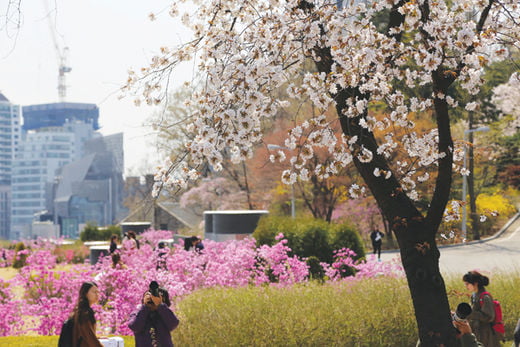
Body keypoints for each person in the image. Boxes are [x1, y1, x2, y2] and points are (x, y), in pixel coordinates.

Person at [462, 271, 501, 347]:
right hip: (477, 332)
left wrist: (471, 314)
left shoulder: (485, 297)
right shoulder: (474, 295)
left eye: (467, 284)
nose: (466, 286)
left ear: (475, 283)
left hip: (486, 334)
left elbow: (489, 316)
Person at [71, 281, 103, 347]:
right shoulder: (84, 313)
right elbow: (89, 337)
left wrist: (96, 337)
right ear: (85, 294)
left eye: (98, 292)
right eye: (94, 292)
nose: (97, 294)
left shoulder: (83, 310)